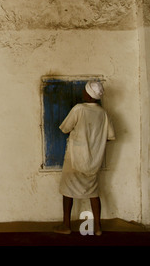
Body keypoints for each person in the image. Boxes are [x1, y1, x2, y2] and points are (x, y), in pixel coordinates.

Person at [53, 81, 115, 235]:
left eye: (84, 90)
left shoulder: (79, 109)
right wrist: (94, 143)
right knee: (93, 192)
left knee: (68, 190)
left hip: (75, 158)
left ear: (87, 94)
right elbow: (110, 136)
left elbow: (65, 128)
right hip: (94, 161)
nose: (82, 92)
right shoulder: (103, 113)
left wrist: (80, 137)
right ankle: (98, 227)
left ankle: (66, 225)